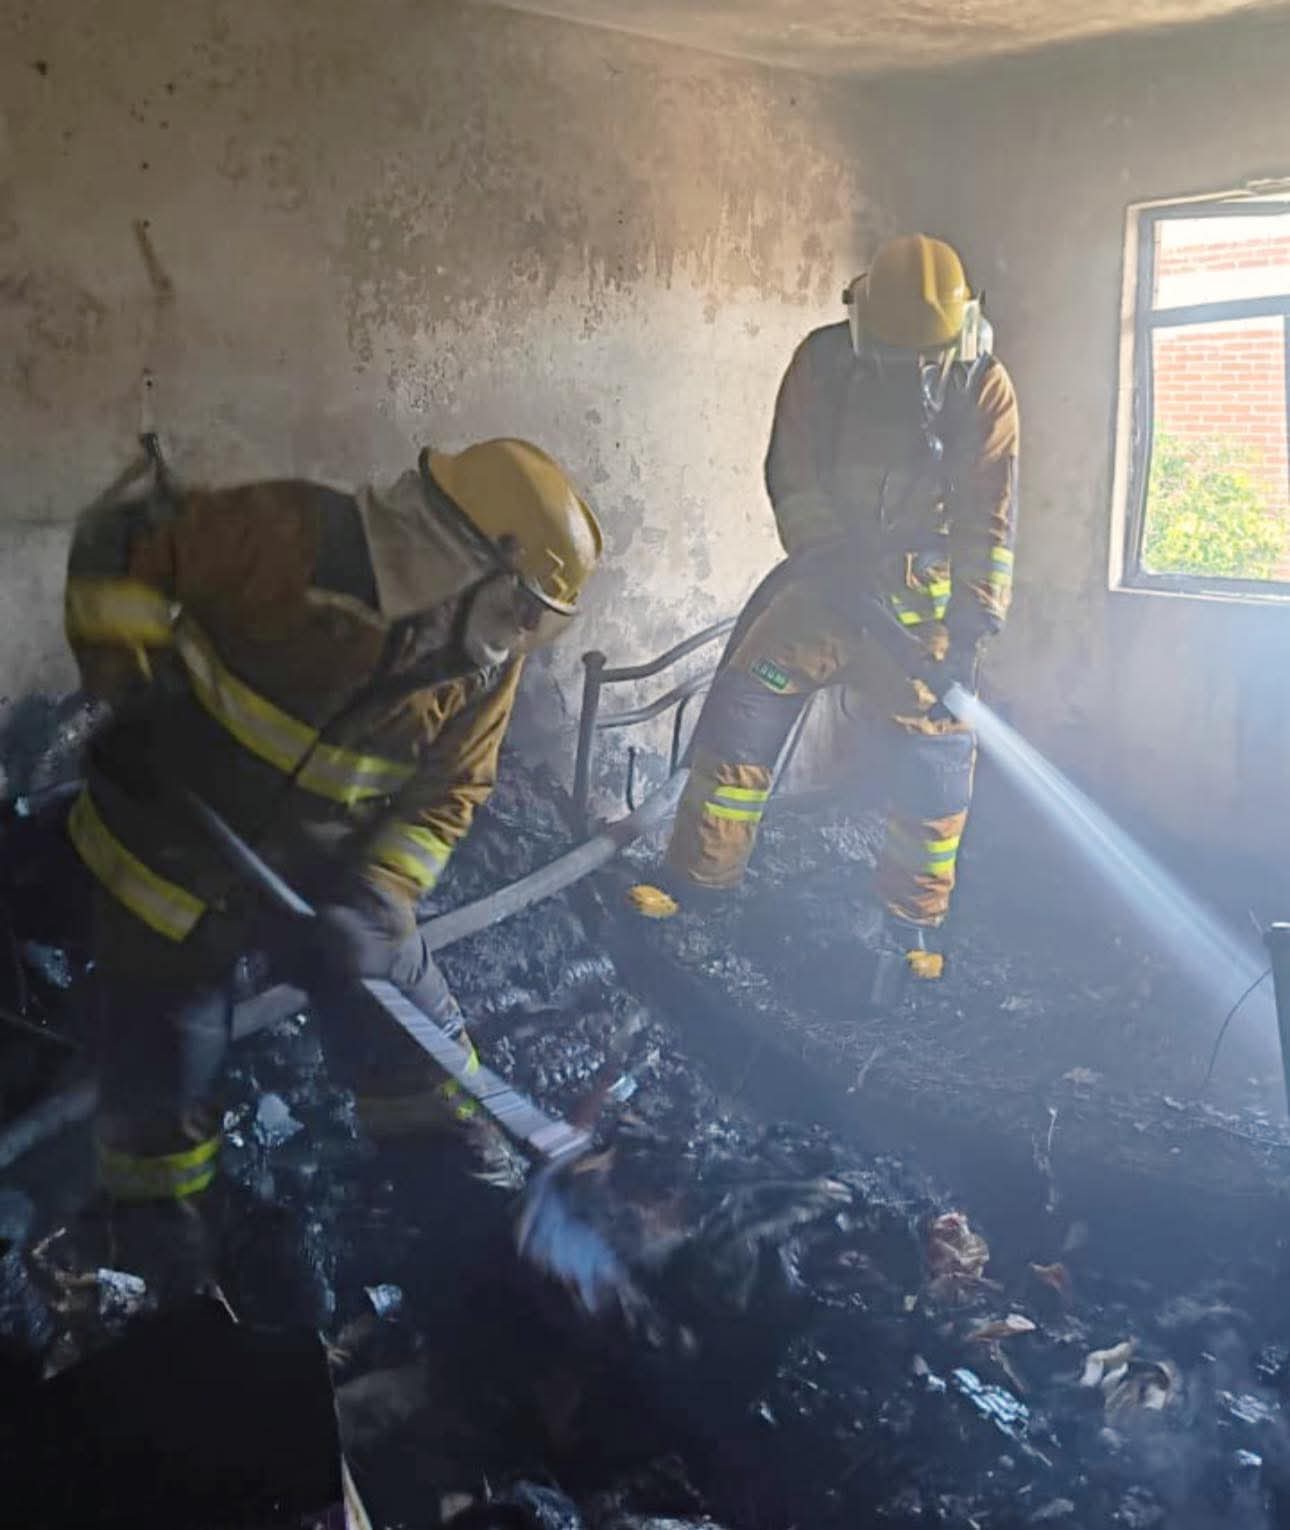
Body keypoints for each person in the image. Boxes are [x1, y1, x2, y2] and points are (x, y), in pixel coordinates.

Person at [63, 438, 602, 1271]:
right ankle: (160, 1261)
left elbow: (450, 792)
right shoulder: (294, 541)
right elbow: (122, 541)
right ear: (468, 557)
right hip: (172, 858)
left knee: (414, 1037)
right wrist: (123, 693)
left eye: (543, 614)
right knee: (165, 1069)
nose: (528, 630)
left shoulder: (483, 663)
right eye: (523, 602)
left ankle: (470, 1227)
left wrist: (379, 897)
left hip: (325, 881)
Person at [632, 235, 1019, 1000]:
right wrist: (826, 552)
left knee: (933, 761)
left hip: (920, 605)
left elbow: (989, 512)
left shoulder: (983, 384)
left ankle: (912, 924)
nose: (913, 374)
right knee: (746, 706)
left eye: (927, 357)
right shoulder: (825, 362)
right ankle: (702, 884)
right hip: (826, 585)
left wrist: (971, 628)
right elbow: (791, 467)